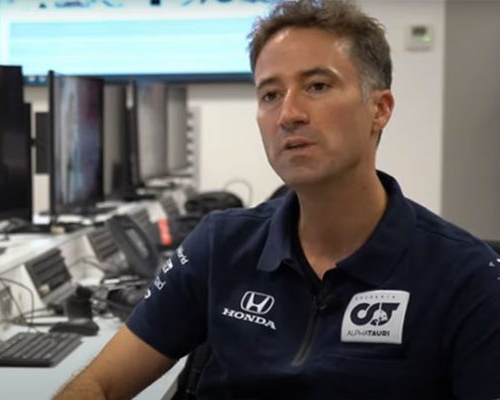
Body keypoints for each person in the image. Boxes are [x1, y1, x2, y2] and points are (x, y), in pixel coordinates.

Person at [54, 1, 500, 399]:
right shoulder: (220, 245)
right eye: (270, 94)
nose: (289, 114)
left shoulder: (465, 276)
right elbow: (100, 384)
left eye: (318, 86)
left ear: (379, 109)